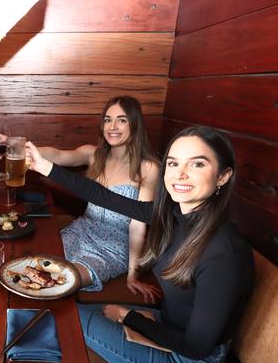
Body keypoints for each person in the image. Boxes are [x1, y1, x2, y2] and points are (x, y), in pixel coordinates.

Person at [26, 126, 254, 362]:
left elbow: (196, 347)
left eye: (197, 164)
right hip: (167, 325)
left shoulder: (225, 253)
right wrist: (45, 167)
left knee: (62, 315)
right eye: (174, 163)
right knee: (60, 307)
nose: (180, 174)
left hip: (189, 357)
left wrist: (130, 317)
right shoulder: (172, 213)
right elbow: (105, 197)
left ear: (223, 176)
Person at [37, 96, 160, 301]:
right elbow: (57, 155)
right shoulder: (93, 154)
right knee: (37, 265)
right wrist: (17, 147)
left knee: (63, 280)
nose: (112, 126)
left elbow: (138, 226)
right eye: (107, 120)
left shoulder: (147, 168)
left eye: (122, 120)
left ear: (135, 124)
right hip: (80, 231)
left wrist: (132, 274)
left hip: (111, 248)